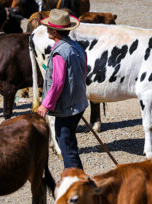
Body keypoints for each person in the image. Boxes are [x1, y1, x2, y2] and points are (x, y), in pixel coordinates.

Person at [37, 9, 88, 170]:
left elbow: (57, 83)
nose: (46, 30)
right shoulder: (76, 46)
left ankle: (75, 180)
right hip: (78, 103)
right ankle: (77, 177)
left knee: (66, 145)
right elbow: (83, 71)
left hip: (67, 108)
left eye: (48, 28)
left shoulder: (60, 52)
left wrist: (46, 104)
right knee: (69, 142)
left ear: (53, 31)